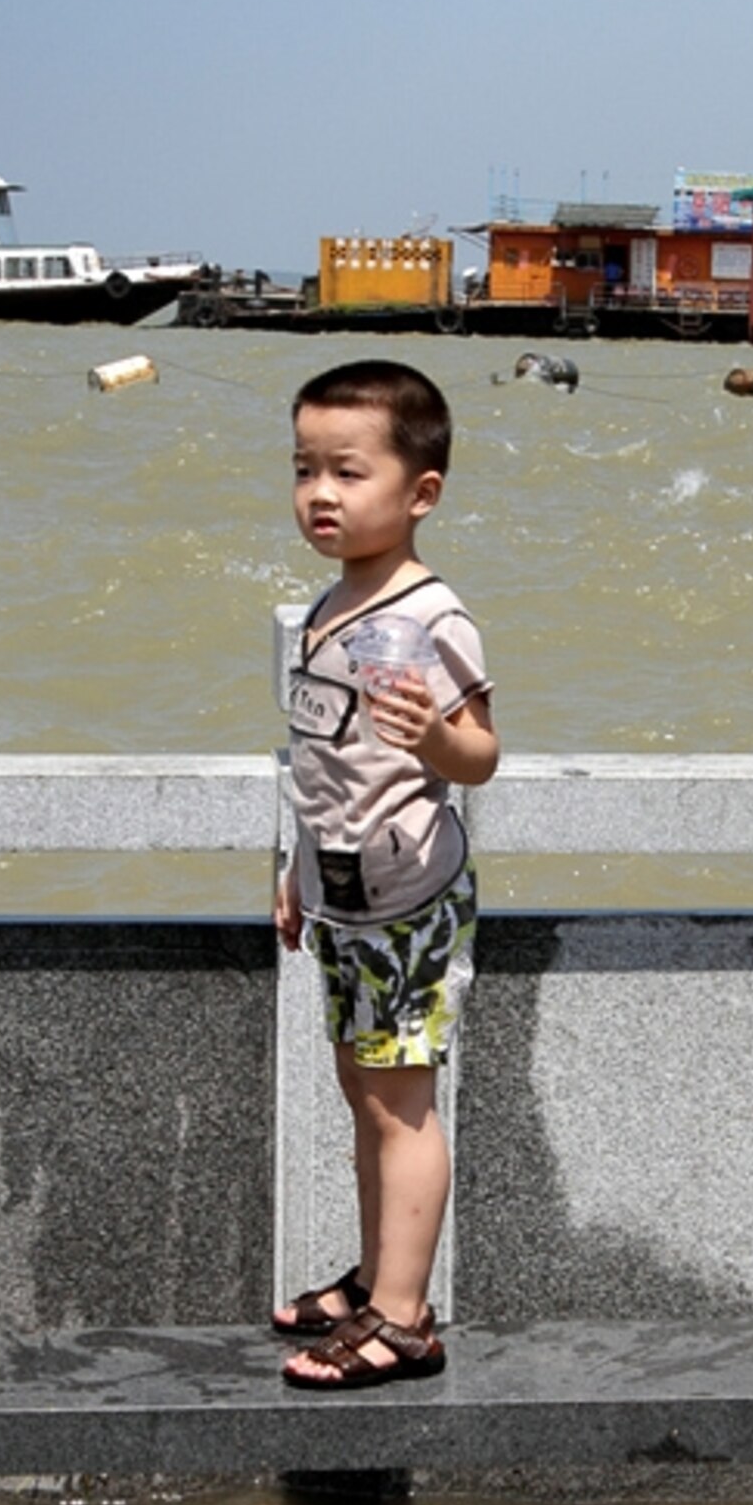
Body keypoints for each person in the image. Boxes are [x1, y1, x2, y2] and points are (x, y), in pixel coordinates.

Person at [270, 360, 499, 1390]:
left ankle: (402, 1319)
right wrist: (296, 870)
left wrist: (440, 734)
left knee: (402, 1101)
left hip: (407, 904)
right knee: (365, 1089)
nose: (321, 492)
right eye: (305, 467)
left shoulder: (432, 614)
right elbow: (319, 762)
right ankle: (377, 1278)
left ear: (421, 493)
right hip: (344, 895)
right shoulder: (329, 603)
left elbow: (482, 756)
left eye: (348, 471)